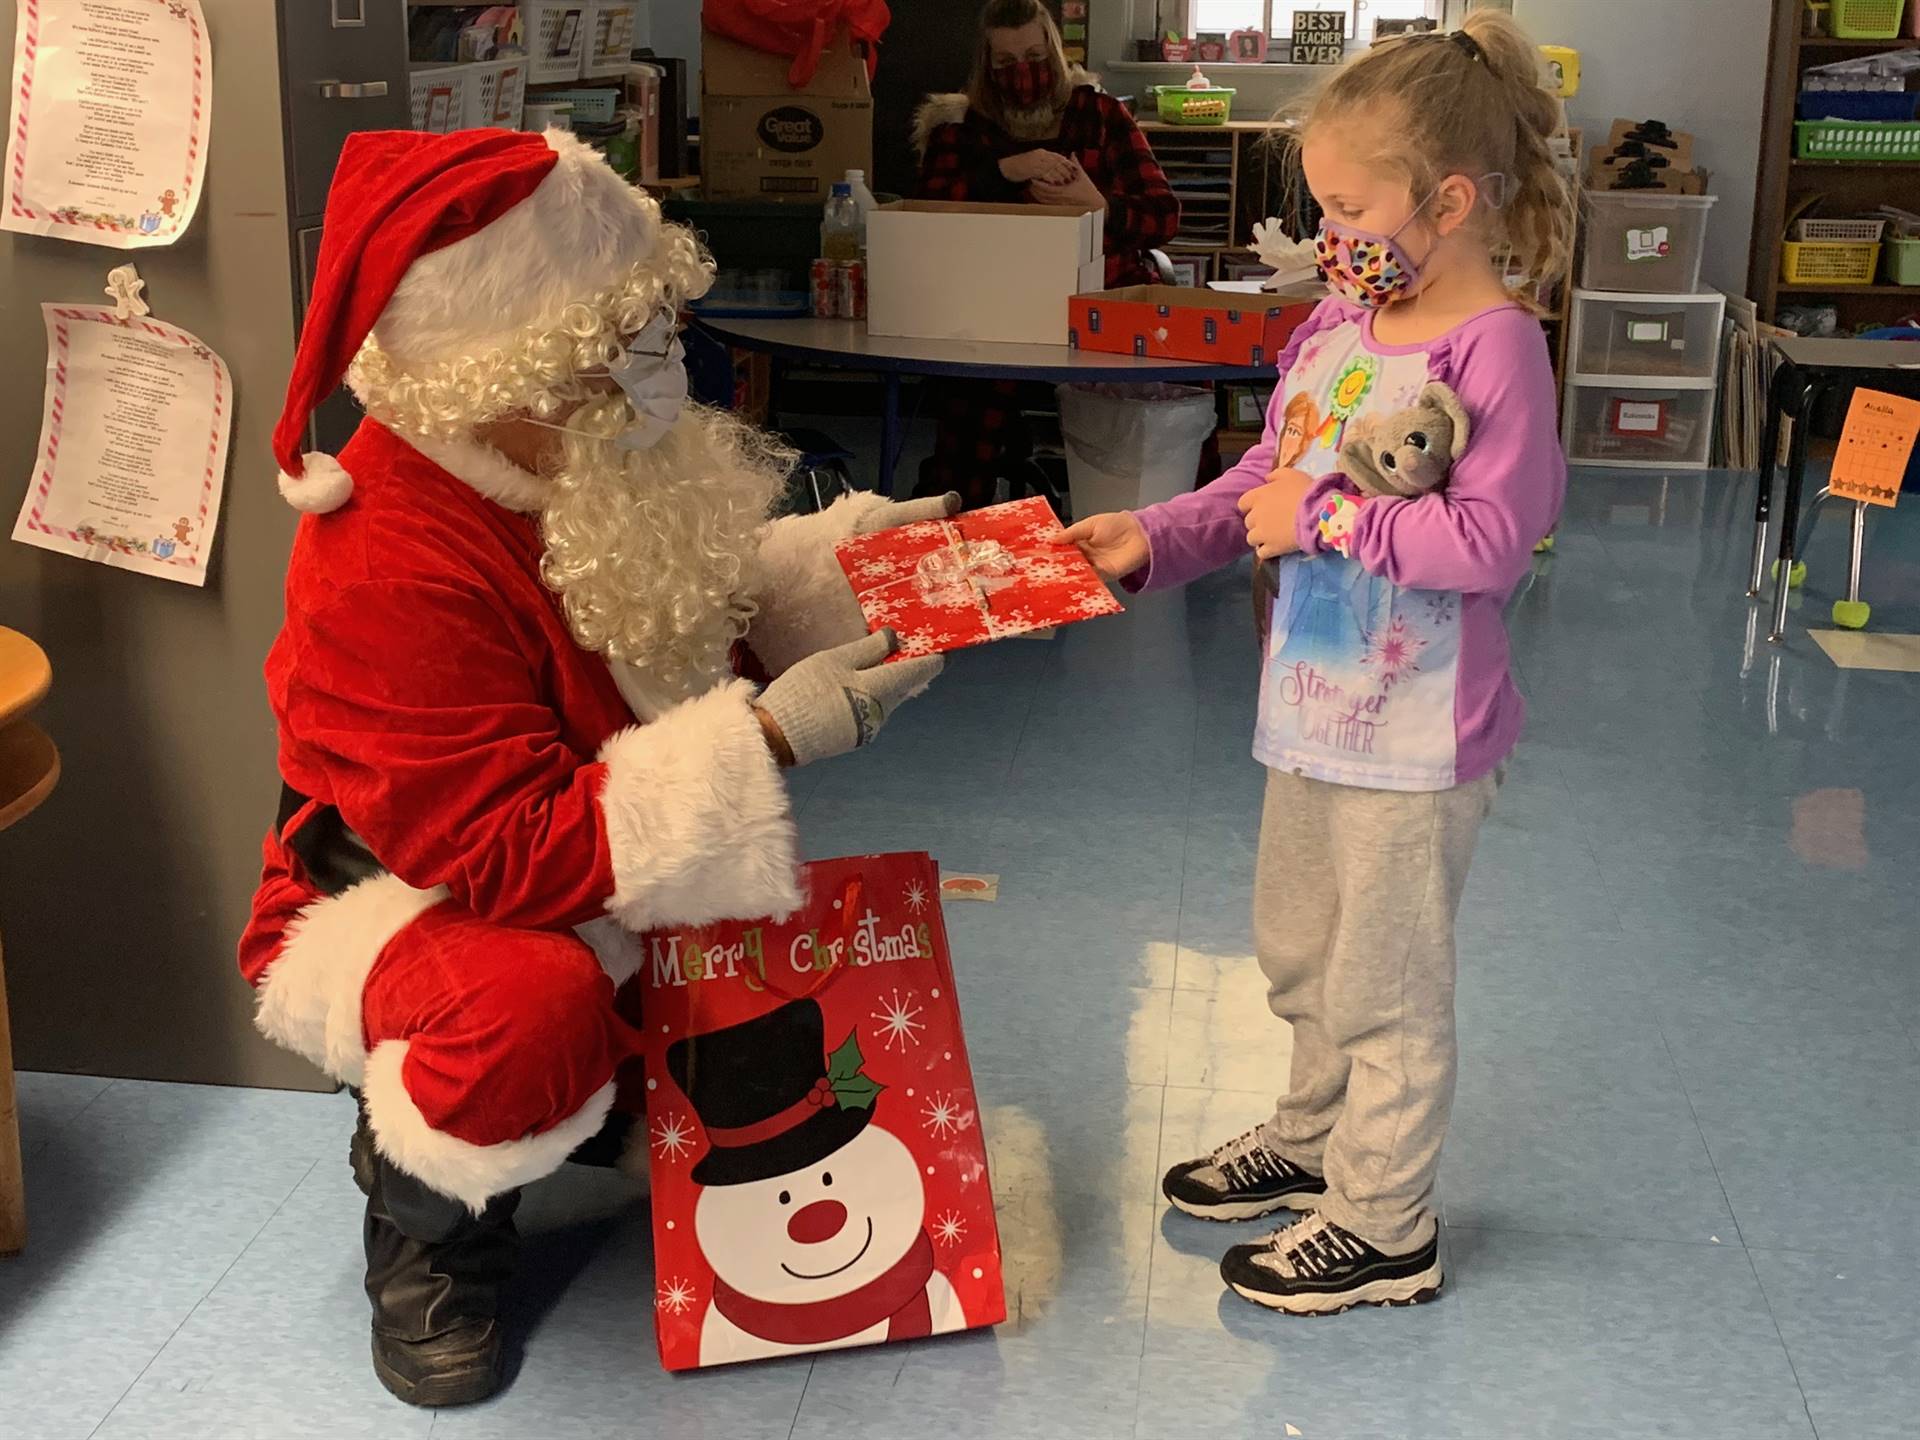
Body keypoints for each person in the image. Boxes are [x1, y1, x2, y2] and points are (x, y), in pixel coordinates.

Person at [239, 127, 954, 1407]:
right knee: (531, 1014)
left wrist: (854, 570)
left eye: (654, 330)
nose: (660, 372)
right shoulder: (386, 557)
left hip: (588, 853)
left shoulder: (566, 455)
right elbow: (506, 854)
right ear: (499, 367)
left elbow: (689, 606)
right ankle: (428, 1228)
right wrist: (775, 736)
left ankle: (611, 1103)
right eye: (617, 347)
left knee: (773, 993)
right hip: (410, 900)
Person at [1062, 13, 1571, 1315]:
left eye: (1350, 204)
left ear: (1450, 201)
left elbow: (1493, 539)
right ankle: (1309, 1138)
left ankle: (1387, 1221)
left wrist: (1332, 518)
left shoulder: (1492, 347)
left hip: (1417, 738)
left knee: (1385, 986)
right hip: (1309, 712)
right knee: (1298, 952)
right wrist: (1155, 537)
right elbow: (1261, 479)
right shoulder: (1345, 318)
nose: (1329, 229)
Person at [912, 0, 1180, 508]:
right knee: (967, 418)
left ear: (1054, 51)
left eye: (1034, 56)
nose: (1024, 73)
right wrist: (1005, 171)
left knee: (1165, 394)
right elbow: (924, 212)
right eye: (1007, 63)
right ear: (987, 68)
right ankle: (948, 535)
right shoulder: (960, 127)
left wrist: (1099, 207)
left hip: (1104, 300)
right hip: (996, 313)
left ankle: (1160, 525)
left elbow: (1163, 216)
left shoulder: (1100, 114)